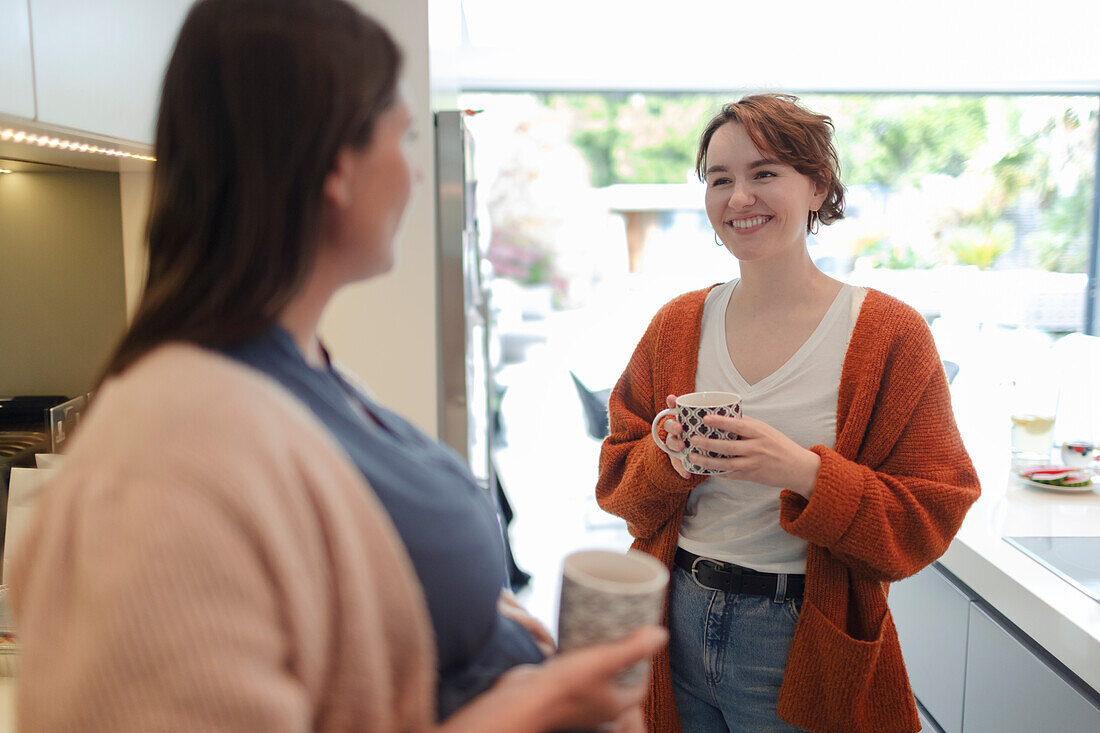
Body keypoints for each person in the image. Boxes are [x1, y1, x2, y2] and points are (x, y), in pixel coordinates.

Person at [9, 1, 665, 731]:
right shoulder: (169, 451)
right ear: (335, 166)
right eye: (405, 136)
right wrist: (532, 704)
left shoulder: (297, 368)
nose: (418, 172)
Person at [595, 94, 981, 733]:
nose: (739, 196)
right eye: (720, 179)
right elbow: (619, 486)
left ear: (817, 186)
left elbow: (931, 513)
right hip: (674, 617)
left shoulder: (888, 333)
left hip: (803, 633)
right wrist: (667, 457)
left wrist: (804, 473)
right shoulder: (676, 325)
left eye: (764, 173)